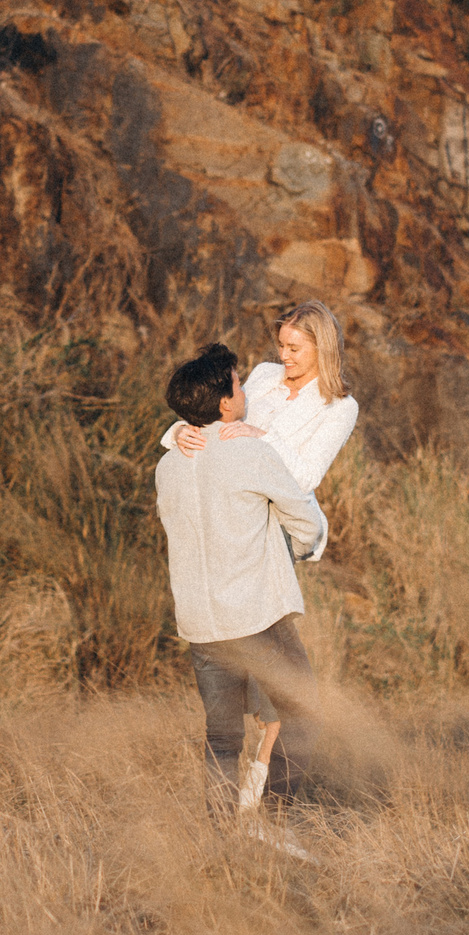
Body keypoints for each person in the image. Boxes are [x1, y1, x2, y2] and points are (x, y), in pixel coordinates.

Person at [154, 343, 329, 803]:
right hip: (255, 619)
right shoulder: (250, 453)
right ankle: (273, 817)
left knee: (223, 739)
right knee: (304, 714)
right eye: (237, 381)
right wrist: (300, 550)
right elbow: (306, 520)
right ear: (226, 401)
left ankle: (223, 837)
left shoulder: (168, 464)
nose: (243, 387)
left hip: (201, 626)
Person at [163, 300, 361, 491]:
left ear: (322, 349)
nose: (283, 356)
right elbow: (221, 412)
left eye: (294, 349)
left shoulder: (342, 407)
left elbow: (307, 480)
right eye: (281, 345)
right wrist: (180, 431)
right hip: (227, 495)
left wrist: (261, 436)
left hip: (278, 515)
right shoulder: (265, 372)